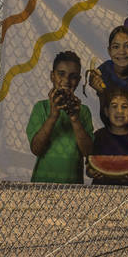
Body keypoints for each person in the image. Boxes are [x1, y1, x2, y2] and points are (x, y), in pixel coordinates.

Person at [27, 51, 95, 183]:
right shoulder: (41, 107)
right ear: (52, 76)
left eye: (73, 76)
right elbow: (36, 149)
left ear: (79, 80)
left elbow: (88, 152)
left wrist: (75, 119)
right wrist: (53, 115)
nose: (66, 80)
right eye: (61, 74)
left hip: (73, 185)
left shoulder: (83, 111)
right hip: (42, 183)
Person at [85, 86, 128, 185]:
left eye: (124, 106)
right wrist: (91, 172)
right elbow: (89, 166)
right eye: (114, 106)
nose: (119, 111)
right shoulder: (99, 136)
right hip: (101, 192)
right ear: (107, 112)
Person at [86, 26, 128, 101]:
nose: (122, 52)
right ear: (109, 51)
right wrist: (101, 92)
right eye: (116, 47)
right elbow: (104, 108)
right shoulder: (103, 71)